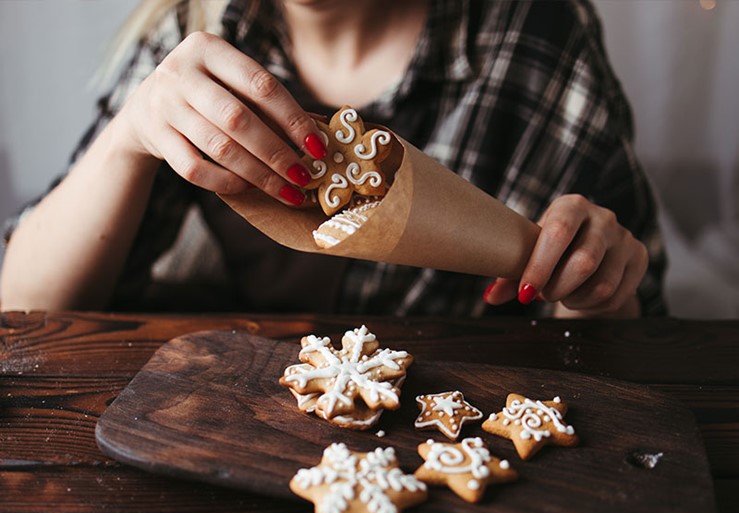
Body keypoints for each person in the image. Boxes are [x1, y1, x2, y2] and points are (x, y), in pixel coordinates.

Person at [0, 0, 666, 318]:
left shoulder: (533, 36)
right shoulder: (197, 33)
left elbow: (632, 327)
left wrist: (592, 282)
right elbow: (23, 309)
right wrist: (124, 142)